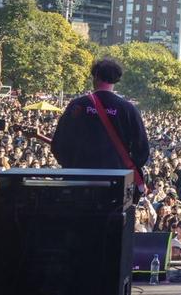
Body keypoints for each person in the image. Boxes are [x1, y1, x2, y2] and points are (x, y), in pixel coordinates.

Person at [51, 58, 151, 196]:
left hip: (77, 182)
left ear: (96, 76)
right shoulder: (128, 109)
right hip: (115, 185)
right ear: (116, 79)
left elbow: (58, 145)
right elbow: (142, 151)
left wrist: (72, 165)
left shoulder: (77, 105)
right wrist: (121, 167)